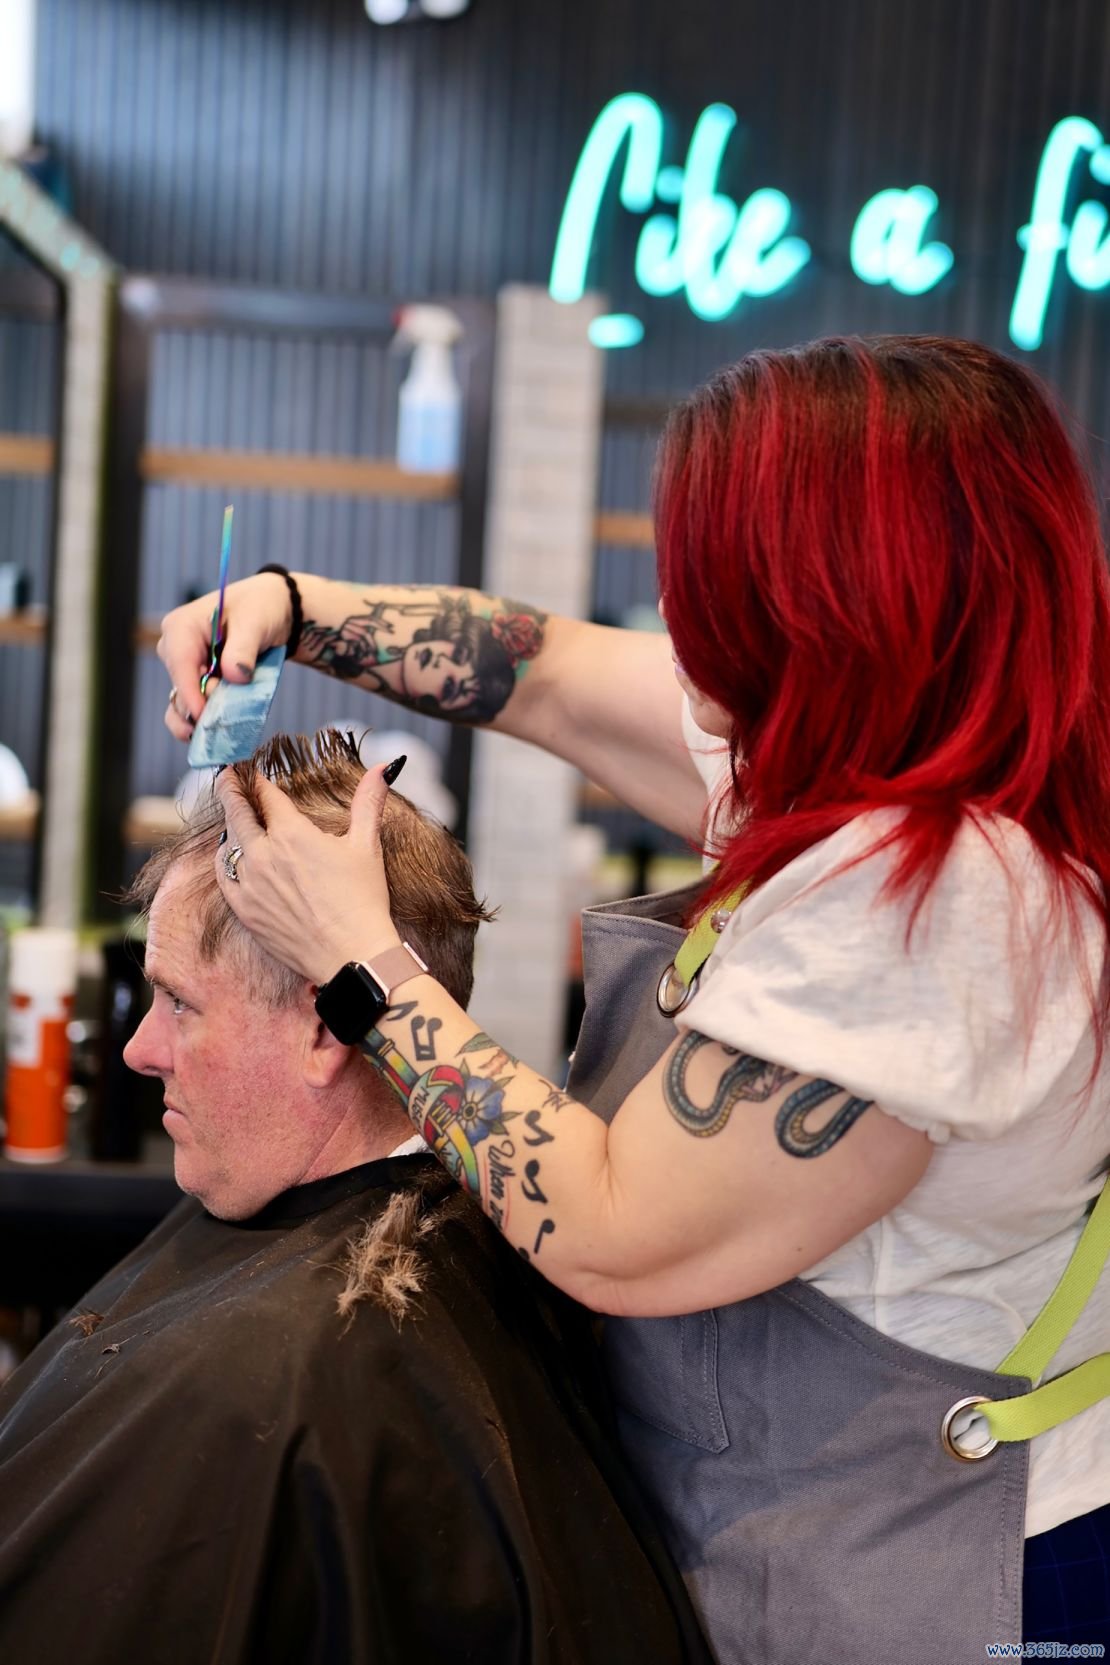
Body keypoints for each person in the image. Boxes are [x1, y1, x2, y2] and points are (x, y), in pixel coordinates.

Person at [159, 337, 1110, 1663]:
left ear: (822, 596)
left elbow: (611, 1231)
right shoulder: (841, 767)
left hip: (937, 1583)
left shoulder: (940, 901)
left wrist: (359, 959)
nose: (675, 605)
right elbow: (536, 672)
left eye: (706, 573)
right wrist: (292, 606)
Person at [0, 731, 709, 1665]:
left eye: (179, 1004)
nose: (140, 1051)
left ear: (326, 1030)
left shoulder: (277, 1384)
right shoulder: (462, 1263)